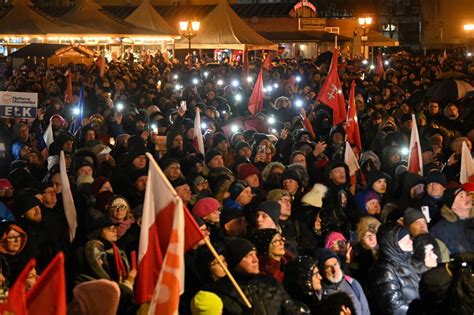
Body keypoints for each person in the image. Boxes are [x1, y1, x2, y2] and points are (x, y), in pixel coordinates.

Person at [210, 237, 309, 314]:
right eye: (248, 255)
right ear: (235, 261)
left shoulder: (270, 282)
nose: (255, 259)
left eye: (255, 254)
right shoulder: (221, 291)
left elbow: (288, 306)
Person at [371, 223, 420, 315]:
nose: (411, 242)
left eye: (409, 238)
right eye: (405, 240)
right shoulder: (384, 270)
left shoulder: (406, 261)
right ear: (393, 244)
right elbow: (394, 307)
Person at [315, 248, 370, 315]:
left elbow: (365, 310)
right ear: (322, 272)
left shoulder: (352, 283)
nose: (334, 270)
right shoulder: (321, 295)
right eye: (328, 267)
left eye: (335, 264)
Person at [431, 188, 474, 254]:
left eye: (466, 194)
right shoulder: (442, 229)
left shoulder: (471, 222)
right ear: (453, 207)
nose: (467, 198)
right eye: (461, 196)